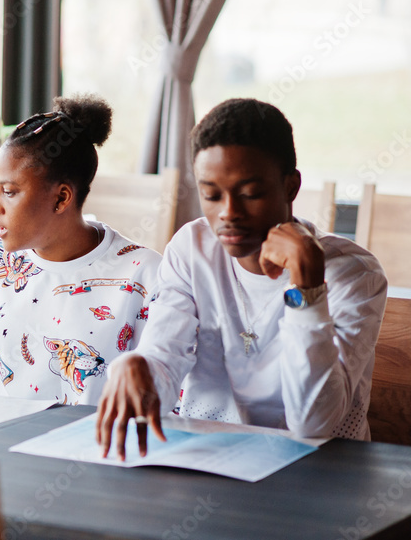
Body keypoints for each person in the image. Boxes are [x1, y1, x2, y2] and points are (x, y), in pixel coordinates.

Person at [96, 98, 388, 460]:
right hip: (211, 459)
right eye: (211, 195)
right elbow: (164, 362)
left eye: (250, 193)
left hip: (319, 475)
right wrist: (137, 367)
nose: (228, 213)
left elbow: (315, 426)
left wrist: (308, 289)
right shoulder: (192, 249)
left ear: (290, 187)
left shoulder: (353, 273)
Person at [0, 95, 161, 403]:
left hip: (100, 446)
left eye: (9, 192)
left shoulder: (145, 273)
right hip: (2, 442)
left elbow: (162, 390)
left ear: (62, 198)